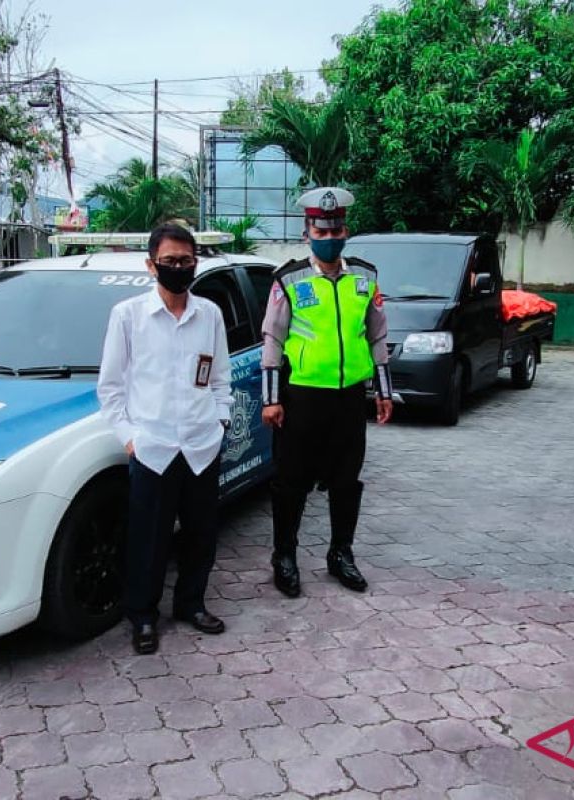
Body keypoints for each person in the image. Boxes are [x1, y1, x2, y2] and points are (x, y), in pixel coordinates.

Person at [97, 223, 232, 655]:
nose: (178, 268)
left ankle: (191, 604)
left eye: (186, 261)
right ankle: (143, 616)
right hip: (152, 448)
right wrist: (130, 438)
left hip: (200, 445)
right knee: (148, 540)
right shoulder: (129, 316)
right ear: (151, 264)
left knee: (200, 534)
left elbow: (220, 378)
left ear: (196, 262)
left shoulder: (208, 314)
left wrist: (221, 423)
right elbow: (111, 387)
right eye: (170, 261)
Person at [261, 186, 393, 598]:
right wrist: (271, 399)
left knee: (345, 480)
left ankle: (341, 554)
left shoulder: (365, 277)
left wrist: (383, 392)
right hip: (302, 398)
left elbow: (377, 336)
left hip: (349, 398)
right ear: (308, 232)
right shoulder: (289, 279)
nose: (329, 237)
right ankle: (284, 556)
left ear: (345, 231)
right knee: (291, 482)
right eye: (321, 230)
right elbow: (272, 340)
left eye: (336, 231)